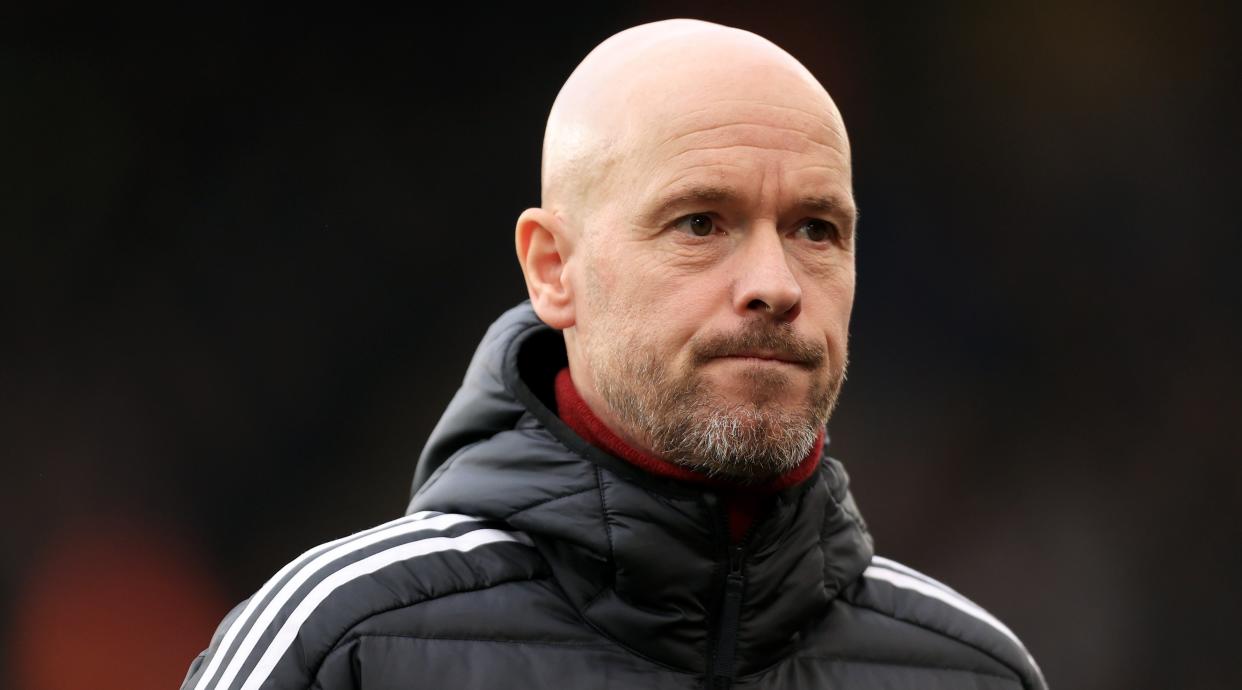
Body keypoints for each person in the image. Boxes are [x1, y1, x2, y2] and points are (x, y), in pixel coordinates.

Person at [181, 19, 1047, 690]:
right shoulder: (342, 643)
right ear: (553, 269)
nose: (775, 284)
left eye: (816, 229)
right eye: (701, 222)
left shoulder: (971, 672)